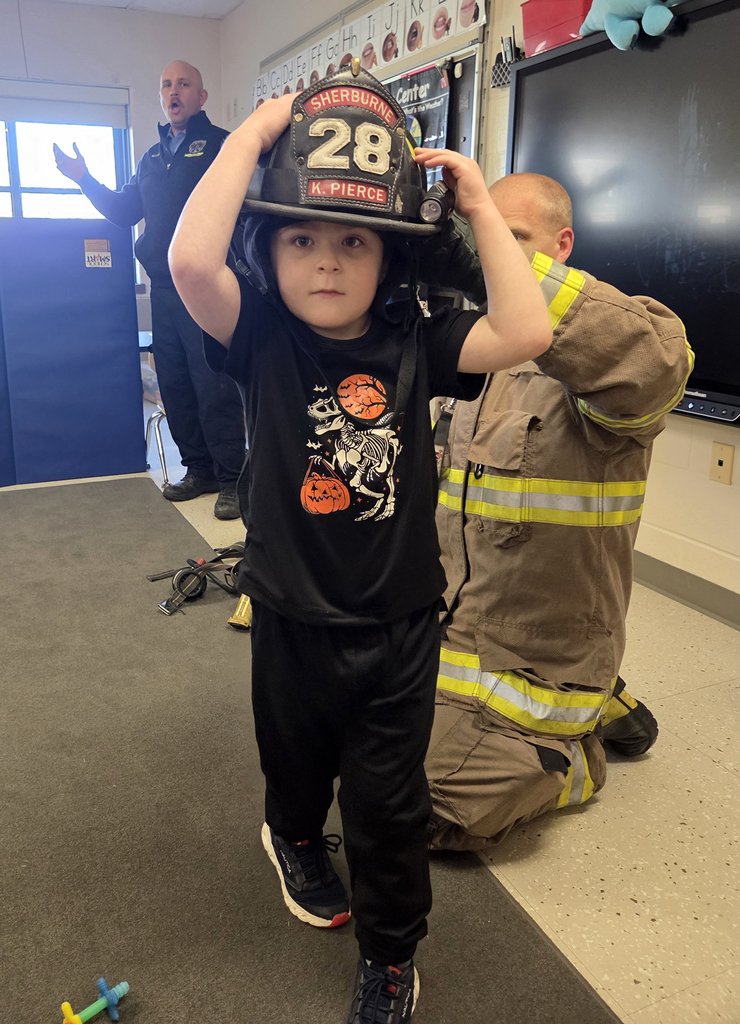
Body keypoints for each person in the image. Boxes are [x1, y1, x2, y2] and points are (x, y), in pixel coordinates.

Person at [168, 65, 551, 1022]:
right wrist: (252, 137)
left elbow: (528, 326)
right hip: (291, 614)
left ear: (390, 261)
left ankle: (390, 955)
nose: (328, 262)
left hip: (398, 626)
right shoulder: (256, 334)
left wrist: (475, 203)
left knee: (387, 808)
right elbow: (186, 264)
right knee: (293, 762)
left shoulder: (416, 341)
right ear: (270, 249)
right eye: (302, 239)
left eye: (352, 242)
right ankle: (292, 834)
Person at [423, 172, 694, 851]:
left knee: (427, 815)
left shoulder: (600, 356)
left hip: (537, 661)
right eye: (480, 243)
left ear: (561, 245)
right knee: (332, 743)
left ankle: (575, 754)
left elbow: (660, 362)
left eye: (509, 240)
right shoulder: (469, 352)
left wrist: (489, 267)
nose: (490, 257)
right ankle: (603, 704)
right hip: (454, 638)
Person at [53, 61, 245, 520]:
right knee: (174, 383)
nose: (173, 91)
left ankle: (233, 479)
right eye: (166, 85)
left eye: (183, 84)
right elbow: (123, 211)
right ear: (161, 97)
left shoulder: (222, 146)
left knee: (211, 383)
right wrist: (83, 178)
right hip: (162, 288)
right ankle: (197, 469)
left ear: (201, 96)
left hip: (205, 286)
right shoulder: (151, 158)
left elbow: (245, 211)